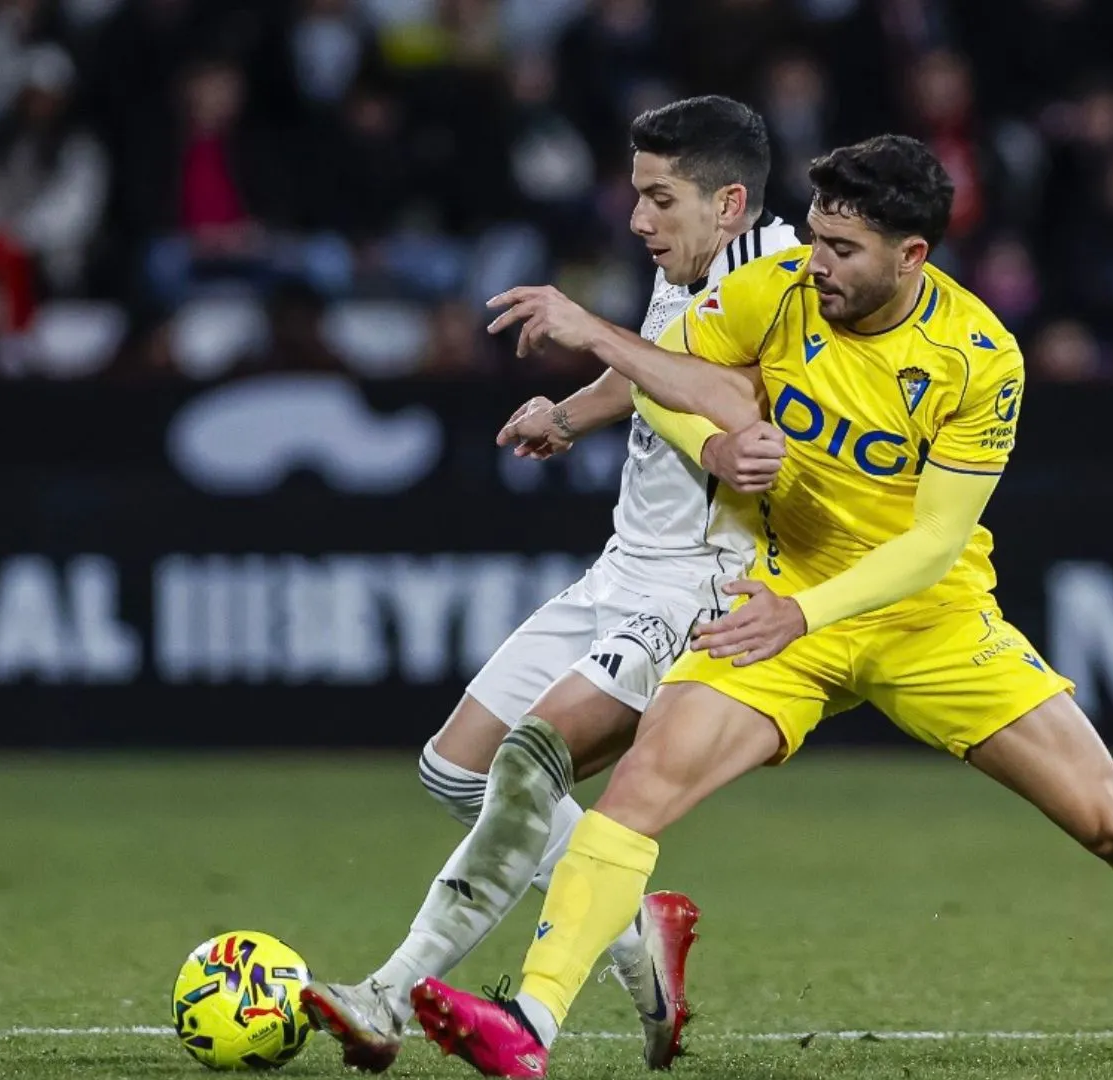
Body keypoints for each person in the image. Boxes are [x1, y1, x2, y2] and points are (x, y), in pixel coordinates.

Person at [410, 135, 1113, 1077]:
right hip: (782, 603)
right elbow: (672, 381)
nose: (814, 264)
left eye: (841, 249)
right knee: (638, 794)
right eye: (817, 236)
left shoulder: (978, 357)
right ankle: (529, 1024)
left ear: (911, 256)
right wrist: (709, 438)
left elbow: (931, 546)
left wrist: (805, 610)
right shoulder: (776, 288)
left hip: (928, 620)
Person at [298, 95, 802, 1073]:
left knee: (532, 761)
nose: (637, 220)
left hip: (704, 584)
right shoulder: (691, 262)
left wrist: (593, 333)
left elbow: (736, 410)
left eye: (659, 199)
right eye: (636, 195)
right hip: (624, 566)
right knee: (455, 769)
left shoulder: (775, 281)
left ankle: (390, 997)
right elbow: (654, 367)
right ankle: (633, 930)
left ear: (729, 202)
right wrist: (572, 415)